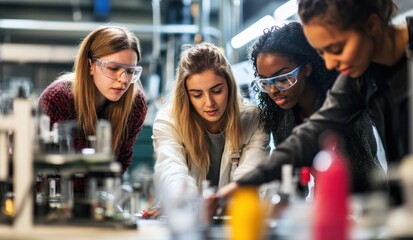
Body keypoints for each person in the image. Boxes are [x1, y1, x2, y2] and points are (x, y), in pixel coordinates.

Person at [217, 0, 411, 201]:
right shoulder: (359, 75)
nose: (329, 63)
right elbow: (313, 132)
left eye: (336, 49)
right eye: (321, 52)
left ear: (372, 26)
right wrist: (245, 183)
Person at [250, 21, 386, 193]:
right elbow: (293, 181)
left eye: (283, 79)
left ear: (307, 69)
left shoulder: (343, 101)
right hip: (323, 206)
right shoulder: (280, 116)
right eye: (265, 82)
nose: (272, 90)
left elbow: (361, 171)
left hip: (369, 201)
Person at [147, 42, 270, 218]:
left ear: (229, 85)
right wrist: (182, 201)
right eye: (197, 95)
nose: (209, 103)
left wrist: (215, 204)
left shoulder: (254, 119)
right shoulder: (169, 120)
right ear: (186, 95)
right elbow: (171, 168)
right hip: (188, 220)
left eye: (217, 90)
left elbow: (249, 180)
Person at [39, 26, 147, 174]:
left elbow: (120, 165)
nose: (124, 80)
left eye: (130, 71)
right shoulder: (57, 98)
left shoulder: (135, 105)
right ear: (91, 65)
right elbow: (37, 166)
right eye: (113, 68)